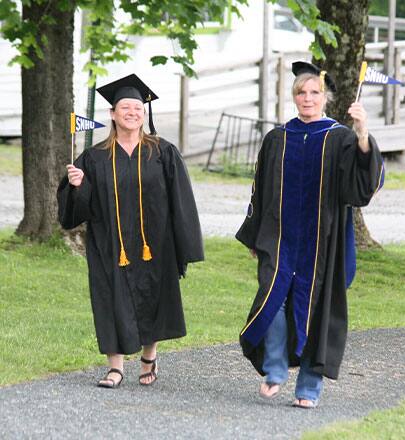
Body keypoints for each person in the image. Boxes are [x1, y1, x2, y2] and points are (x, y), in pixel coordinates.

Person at [236, 61, 384, 408]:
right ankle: (275, 368)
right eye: (301, 92)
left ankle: (308, 389)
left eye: (314, 92)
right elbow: (260, 190)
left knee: (316, 309)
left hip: (323, 242)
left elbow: (362, 187)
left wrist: (363, 133)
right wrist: (256, 234)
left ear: (326, 98)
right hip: (280, 238)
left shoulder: (341, 138)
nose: (307, 98)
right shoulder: (277, 138)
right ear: (293, 96)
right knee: (271, 301)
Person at [57, 74, 204, 388]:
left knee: (153, 296)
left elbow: (182, 200)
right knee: (111, 299)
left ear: (144, 113)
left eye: (137, 108)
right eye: (125, 107)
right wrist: (78, 187)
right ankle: (115, 367)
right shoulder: (94, 157)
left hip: (155, 244)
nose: (132, 113)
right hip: (110, 244)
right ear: (112, 114)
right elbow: (75, 212)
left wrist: (185, 245)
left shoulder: (163, 152)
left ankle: (149, 358)